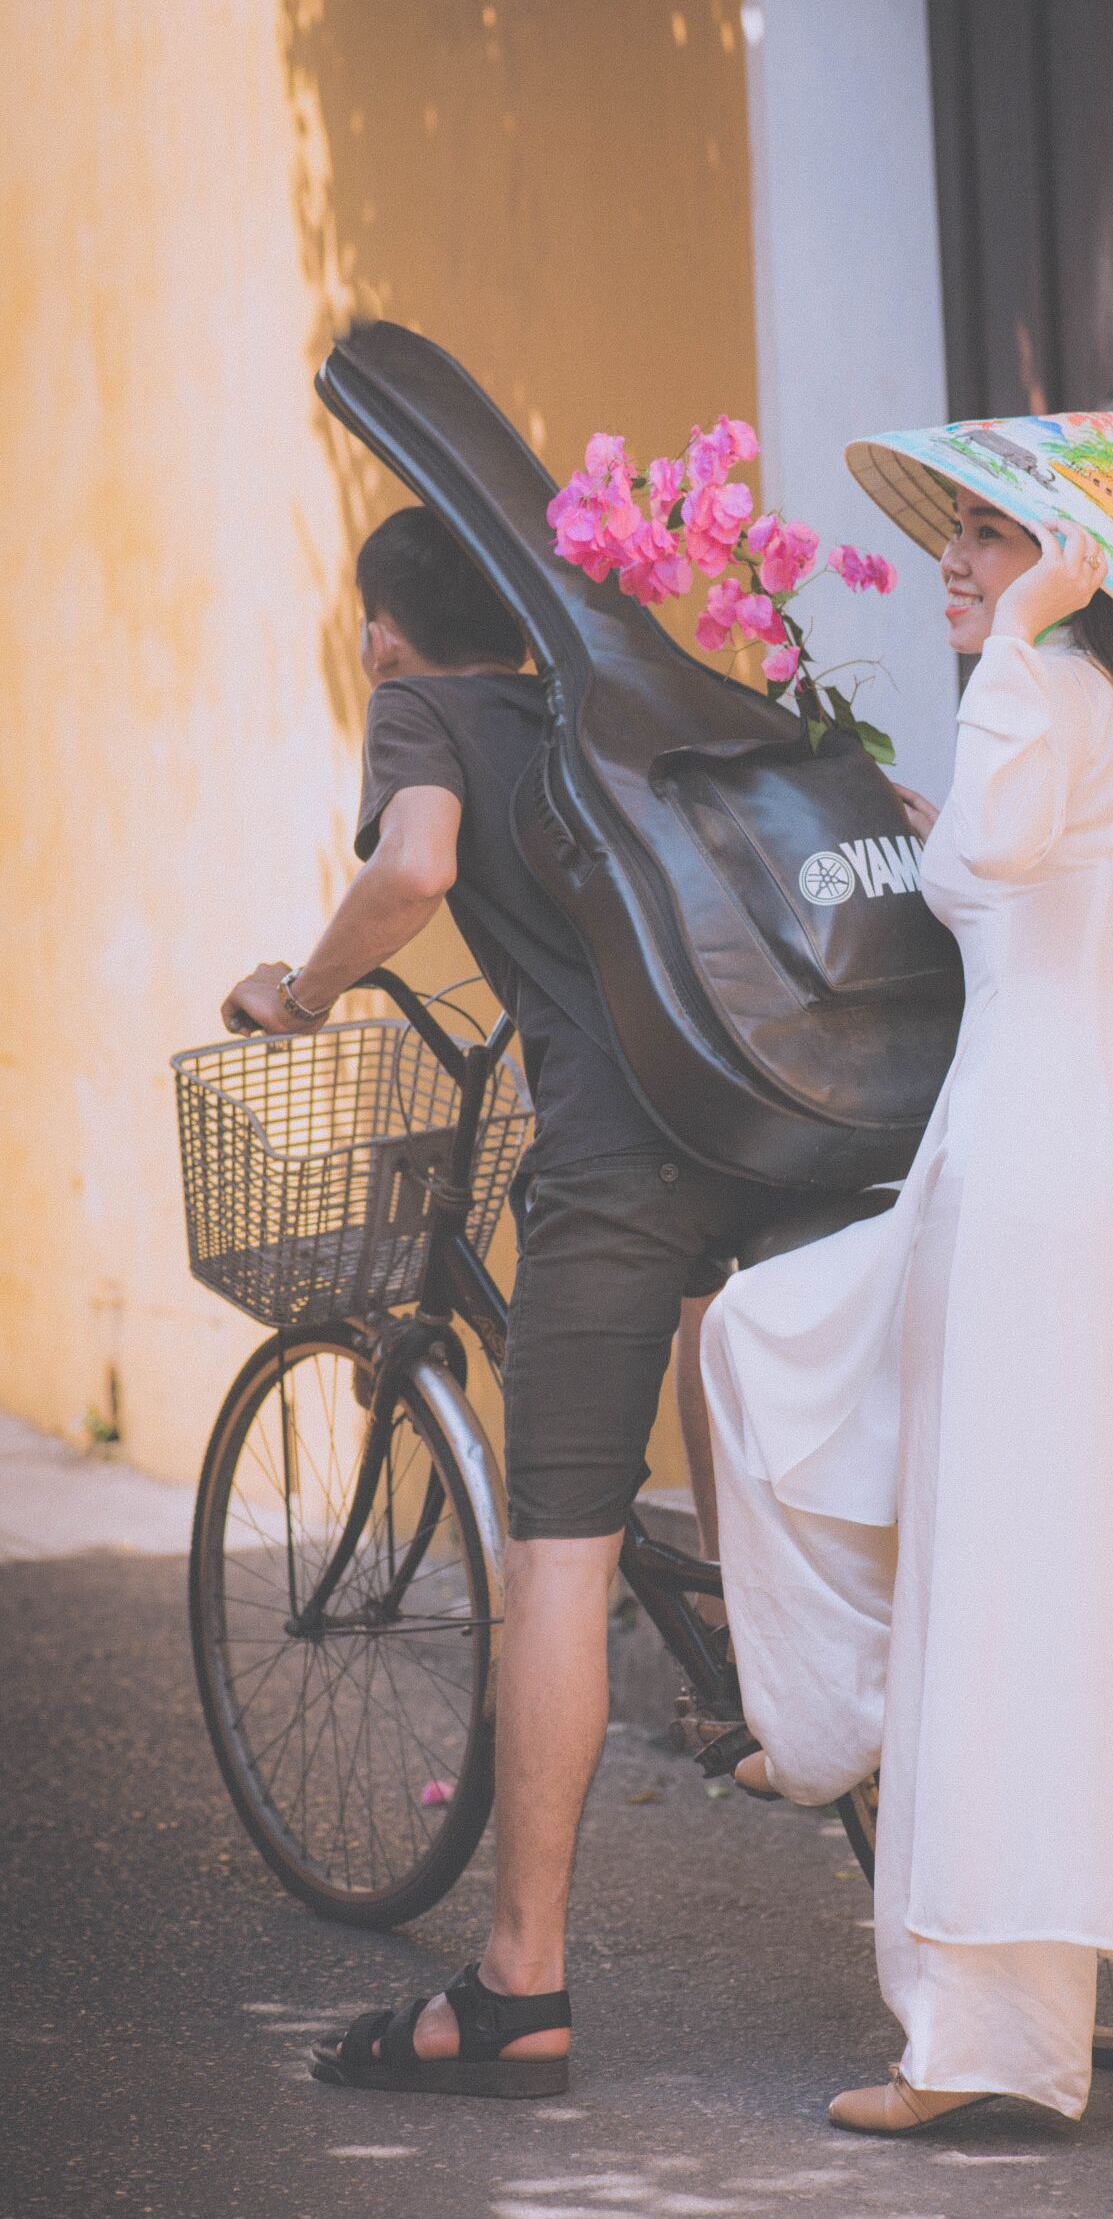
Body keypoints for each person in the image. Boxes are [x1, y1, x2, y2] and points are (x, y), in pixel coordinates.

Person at [699, 419, 1113, 2134]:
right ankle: (851, 1707)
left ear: (1078, 564)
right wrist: (1001, 713)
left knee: (988, 1577)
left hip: (1032, 1179)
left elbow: (962, 870)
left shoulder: (1050, 679)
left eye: (992, 533)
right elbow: (1018, 876)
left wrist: (1013, 653)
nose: (956, 559)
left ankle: (971, 2040)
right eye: (951, 532)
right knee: (978, 1527)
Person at [222, 507, 808, 2097]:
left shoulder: (427, 706)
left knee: (560, 1551)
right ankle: (771, 1669)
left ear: (381, 631)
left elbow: (416, 863)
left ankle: (518, 1988)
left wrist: (310, 985)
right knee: (758, 1402)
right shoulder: (589, 696)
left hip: (619, 1153)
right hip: (761, 1120)